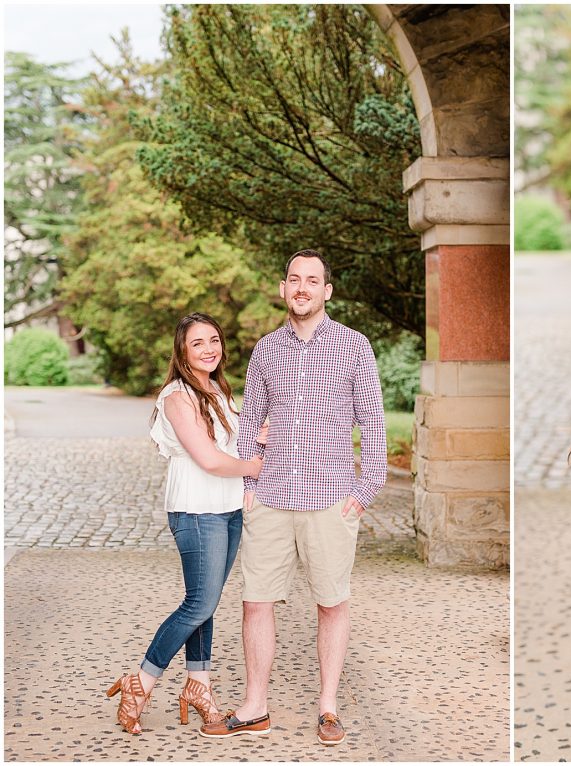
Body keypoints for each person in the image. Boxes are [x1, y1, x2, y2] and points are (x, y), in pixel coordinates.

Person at [200, 249, 387, 745]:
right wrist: (249, 485)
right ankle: (255, 705)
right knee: (255, 603)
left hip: (331, 500)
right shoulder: (266, 350)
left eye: (313, 280)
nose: (302, 288)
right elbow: (249, 422)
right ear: (284, 289)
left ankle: (327, 707)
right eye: (294, 279)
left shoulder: (353, 346)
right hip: (273, 498)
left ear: (326, 291)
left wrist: (365, 490)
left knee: (331, 603)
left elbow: (374, 423)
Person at [106, 312, 265, 735]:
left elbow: (240, 438)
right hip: (196, 509)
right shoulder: (177, 397)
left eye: (214, 340)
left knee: (205, 602)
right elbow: (210, 459)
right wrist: (255, 467)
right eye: (198, 343)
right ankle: (139, 682)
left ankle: (199, 685)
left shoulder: (218, 390)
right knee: (198, 604)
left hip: (227, 508)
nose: (209, 348)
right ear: (182, 351)